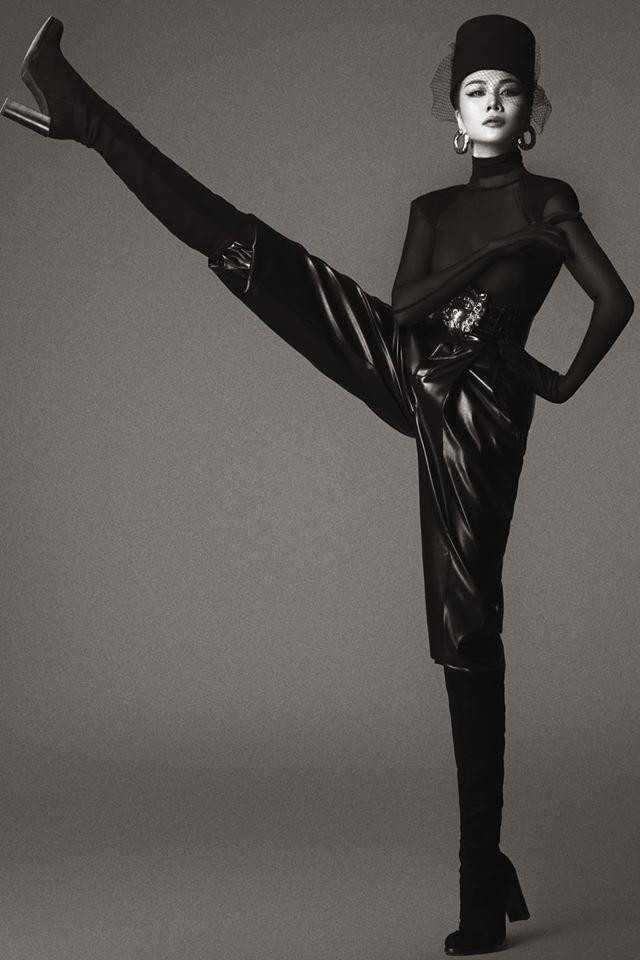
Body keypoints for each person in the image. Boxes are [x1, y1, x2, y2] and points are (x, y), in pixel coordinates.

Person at [2, 13, 634, 956]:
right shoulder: (433, 210)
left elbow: (616, 300)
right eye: (475, 91)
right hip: (410, 363)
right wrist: (484, 263)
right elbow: (407, 306)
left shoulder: (550, 200)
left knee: (465, 622)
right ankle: (90, 119)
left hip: (482, 407)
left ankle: (481, 873)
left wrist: (557, 381)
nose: (492, 104)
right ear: (455, 110)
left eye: (508, 91)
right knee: (254, 257)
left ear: (529, 109)